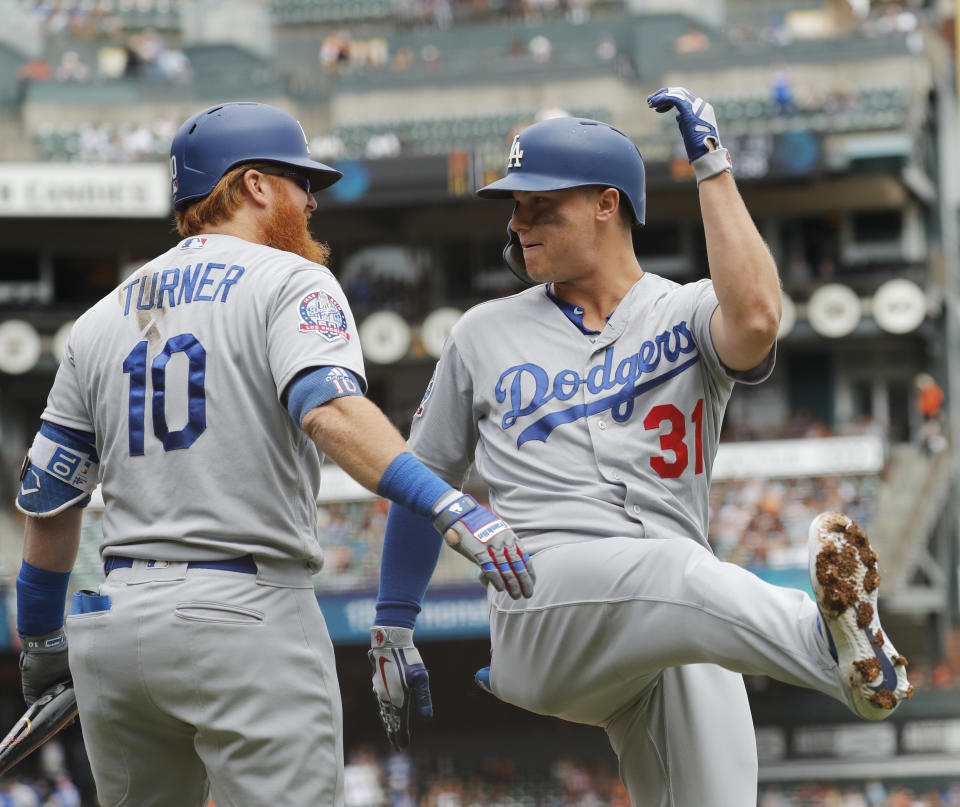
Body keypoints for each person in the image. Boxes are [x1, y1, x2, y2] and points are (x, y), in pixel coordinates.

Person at [367, 88, 912, 805]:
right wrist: (392, 625)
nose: (518, 220)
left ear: (606, 203)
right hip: (544, 601)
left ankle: (843, 653)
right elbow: (420, 477)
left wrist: (711, 165)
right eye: (515, 204)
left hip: (670, 615)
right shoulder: (481, 333)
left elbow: (754, 316)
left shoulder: (683, 312)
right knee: (683, 572)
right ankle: (834, 647)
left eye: (540, 204)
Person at [13, 101, 534, 807]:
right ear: (254, 184)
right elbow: (328, 411)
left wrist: (42, 644)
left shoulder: (98, 318)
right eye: (299, 181)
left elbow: (50, 500)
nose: (311, 199)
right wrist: (447, 502)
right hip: (243, 613)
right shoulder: (291, 280)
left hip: (116, 622)